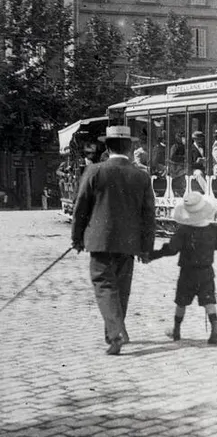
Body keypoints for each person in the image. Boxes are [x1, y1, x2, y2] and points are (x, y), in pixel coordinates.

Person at [71, 126, 156, 355]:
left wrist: (77, 238)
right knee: (121, 289)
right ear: (130, 149)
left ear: (107, 148)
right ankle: (116, 330)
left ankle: (116, 332)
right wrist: (146, 249)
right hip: (128, 244)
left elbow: (81, 208)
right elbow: (149, 216)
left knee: (105, 286)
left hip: (100, 242)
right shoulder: (141, 176)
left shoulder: (94, 172)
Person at [149, 192, 217, 345]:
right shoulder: (213, 230)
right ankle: (215, 329)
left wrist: (153, 255)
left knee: (181, 302)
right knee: (209, 301)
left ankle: (176, 330)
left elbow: (172, 249)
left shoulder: (183, 231)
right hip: (206, 270)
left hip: (187, 271)